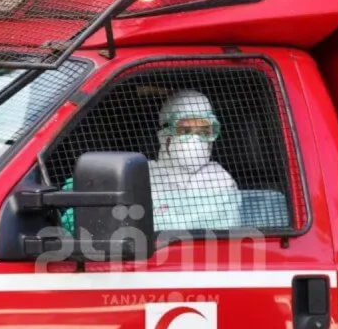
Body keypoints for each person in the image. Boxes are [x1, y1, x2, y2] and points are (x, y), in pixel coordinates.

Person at [60, 89, 242, 233]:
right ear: (165, 135)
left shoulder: (221, 180)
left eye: (204, 132)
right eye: (185, 131)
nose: (195, 140)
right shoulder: (138, 174)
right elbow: (84, 221)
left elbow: (221, 236)